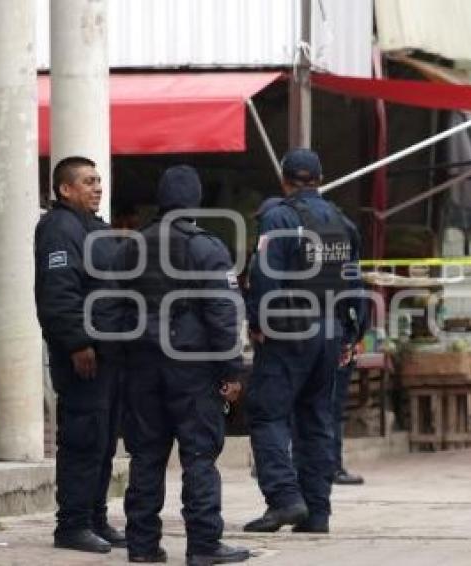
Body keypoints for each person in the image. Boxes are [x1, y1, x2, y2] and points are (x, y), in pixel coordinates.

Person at [116, 166, 249, 565]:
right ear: (195, 203)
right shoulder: (206, 248)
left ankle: (141, 545)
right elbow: (223, 312)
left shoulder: (131, 247)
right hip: (191, 369)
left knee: (146, 456)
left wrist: (122, 357)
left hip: (141, 366)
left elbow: (111, 308)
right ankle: (204, 545)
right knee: (199, 457)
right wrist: (231, 369)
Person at [244, 148, 362, 534]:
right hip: (329, 333)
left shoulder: (278, 218)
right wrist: (352, 333)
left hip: (287, 333)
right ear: (321, 178)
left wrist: (258, 320)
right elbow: (353, 284)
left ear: (284, 180)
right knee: (316, 420)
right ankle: (317, 513)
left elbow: (264, 276)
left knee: (267, 414)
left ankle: (283, 500)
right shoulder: (342, 223)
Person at [33, 156, 125, 553]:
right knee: (84, 439)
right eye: (88, 181)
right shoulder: (59, 229)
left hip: (108, 354)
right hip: (82, 356)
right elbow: (58, 294)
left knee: (103, 441)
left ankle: (95, 517)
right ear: (65, 189)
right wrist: (77, 343)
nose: (97, 187)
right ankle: (71, 524)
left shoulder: (96, 228)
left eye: (99, 180)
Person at [332, 308, 368, 486]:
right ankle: (333, 467)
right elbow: (354, 303)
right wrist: (349, 340)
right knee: (331, 409)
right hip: (337, 344)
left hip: (335, 343)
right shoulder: (350, 280)